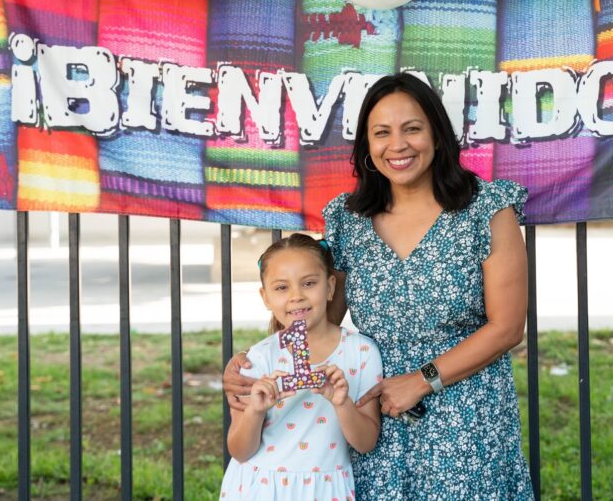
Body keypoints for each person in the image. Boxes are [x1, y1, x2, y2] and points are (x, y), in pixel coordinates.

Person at [224, 72, 532, 499]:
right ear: (367, 146)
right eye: (382, 133)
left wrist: (421, 381)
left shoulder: (487, 210)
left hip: (467, 417)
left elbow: (508, 327)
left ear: (438, 135)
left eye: (412, 129)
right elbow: (316, 321)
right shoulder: (348, 220)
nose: (398, 145)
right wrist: (251, 364)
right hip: (370, 413)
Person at [220, 233, 382, 500]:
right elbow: (239, 450)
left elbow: (366, 443)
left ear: (330, 287)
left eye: (309, 283)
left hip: (327, 489)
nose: (296, 297)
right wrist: (255, 411)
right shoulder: (256, 360)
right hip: (260, 489)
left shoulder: (362, 353)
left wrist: (342, 403)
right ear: (266, 297)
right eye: (282, 288)